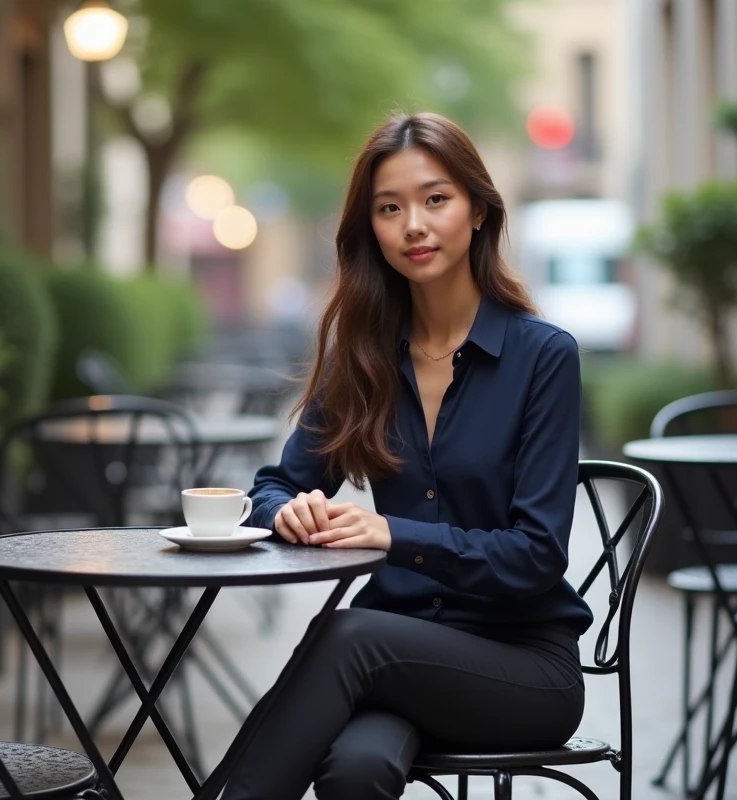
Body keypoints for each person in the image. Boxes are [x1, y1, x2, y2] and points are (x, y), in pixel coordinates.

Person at [222, 112, 591, 800]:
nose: (413, 225)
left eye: (435, 199)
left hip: (522, 667)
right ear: (373, 231)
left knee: (350, 633)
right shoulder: (363, 359)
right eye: (389, 209)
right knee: (356, 768)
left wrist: (392, 533)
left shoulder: (544, 357)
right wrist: (290, 511)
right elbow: (271, 487)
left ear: (479, 210)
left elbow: (537, 554)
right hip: (395, 658)